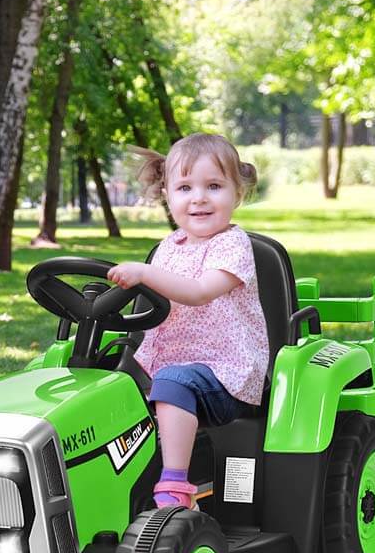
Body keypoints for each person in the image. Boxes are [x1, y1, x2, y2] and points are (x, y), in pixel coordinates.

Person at [107, 133, 269, 510]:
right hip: (167, 365)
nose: (199, 198)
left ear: (236, 193)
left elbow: (197, 291)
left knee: (173, 382)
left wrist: (144, 273)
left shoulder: (233, 245)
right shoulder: (169, 247)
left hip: (225, 375)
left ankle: (176, 488)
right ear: (167, 194)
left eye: (213, 186)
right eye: (185, 187)